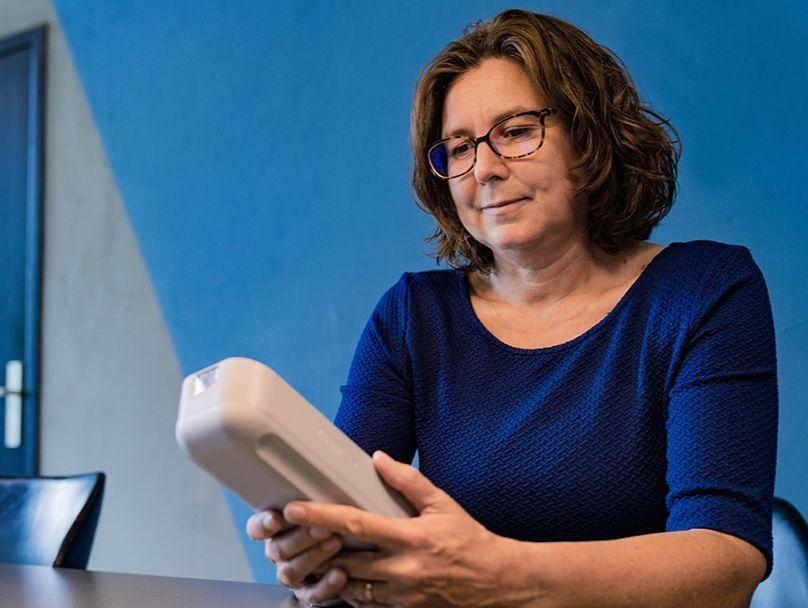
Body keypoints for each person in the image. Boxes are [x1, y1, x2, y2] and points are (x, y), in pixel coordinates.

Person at [247, 9, 778, 607]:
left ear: (590, 135)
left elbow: (726, 562)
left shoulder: (703, 290)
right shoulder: (413, 317)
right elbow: (357, 520)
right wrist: (324, 552)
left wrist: (500, 573)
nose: (487, 171)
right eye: (459, 148)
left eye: (518, 131)